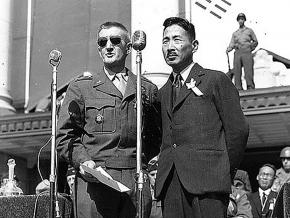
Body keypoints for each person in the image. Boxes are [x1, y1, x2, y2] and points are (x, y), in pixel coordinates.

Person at [56, 21, 160, 218]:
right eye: (103, 42)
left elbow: (155, 136)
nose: (108, 46)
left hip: (135, 179)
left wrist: (138, 163)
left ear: (129, 47)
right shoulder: (82, 88)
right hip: (95, 181)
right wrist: (83, 161)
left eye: (115, 40)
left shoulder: (146, 89)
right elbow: (65, 136)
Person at [155, 17, 249, 218]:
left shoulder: (215, 80)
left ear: (194, 45)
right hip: (170, 187)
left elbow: (238, 132)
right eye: (165, 41)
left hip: (208, 186)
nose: (170, 46)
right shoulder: (163, 92)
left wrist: (221, 171)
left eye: (177, 40)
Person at [226, 13, 258, 90]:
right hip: (237, 52)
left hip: (246, 51)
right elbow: (232, 43)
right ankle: (238, 87)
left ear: (244, 20)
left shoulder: (249, 31)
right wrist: (229, 49)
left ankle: (250, 86)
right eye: (239, 19)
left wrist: (250, 48)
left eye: (242, 19)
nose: (241, 21)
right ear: (238, 21)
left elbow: (255, 41)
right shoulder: (235, 33)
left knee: (248, 70)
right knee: (237, 71)